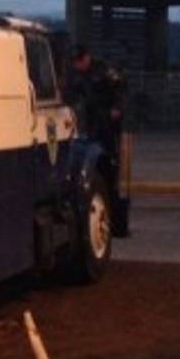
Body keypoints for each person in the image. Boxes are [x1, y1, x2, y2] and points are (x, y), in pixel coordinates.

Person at [66, 45, 129, 236]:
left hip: (109, 122)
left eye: (79, 61)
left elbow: (120, 88)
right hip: (93, 121)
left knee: (111, 168)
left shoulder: (103, 70)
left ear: (86, 58)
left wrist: (117, 108)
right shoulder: (79, 75)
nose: (77, 65)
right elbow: (72, 92)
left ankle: (117, 222)